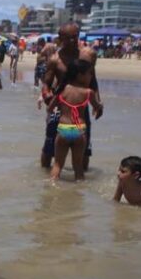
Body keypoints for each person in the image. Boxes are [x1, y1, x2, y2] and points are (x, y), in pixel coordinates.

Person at [40, 22, 102, 170]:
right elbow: (46, 83)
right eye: (69, 38)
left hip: (80, 104)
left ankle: (81, 178)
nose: (74, 41)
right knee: (50, 143)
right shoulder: (55, 59)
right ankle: (44, 176)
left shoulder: (88, 55)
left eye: (76, 37)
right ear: (60, 38)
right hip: (60, 103)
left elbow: (93, 80)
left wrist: (98, 102)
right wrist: (47, 97)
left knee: (85, 144)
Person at [47, 60, 100, 181]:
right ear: (79, 75)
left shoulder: (63, 89)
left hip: (63, 130)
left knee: (58, 164)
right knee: (78, 166)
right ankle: (79, 194)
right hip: (79, 131)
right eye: (89, 74)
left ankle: (52, 188)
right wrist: (99, 107)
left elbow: (50, 108)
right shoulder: (88, 92)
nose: (91, 76)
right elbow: (97, 107)